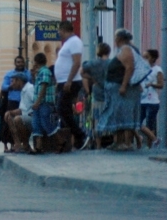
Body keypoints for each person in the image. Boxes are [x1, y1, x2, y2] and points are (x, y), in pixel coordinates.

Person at [97, 29, 142, 151]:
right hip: (117, 87)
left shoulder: (127, 49)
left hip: (122, 88)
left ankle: (126, 143)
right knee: (118, 115)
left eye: (115, 37)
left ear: (119, 39)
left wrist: (123, 85)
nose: (114, 40)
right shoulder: (127, 49)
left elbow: (129, 68)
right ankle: (118, 142)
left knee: (125, 115)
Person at [55, 21, 90, 150]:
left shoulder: (75, 41)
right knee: (66, 110)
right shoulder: (68, 43)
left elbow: (76, 62)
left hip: (70, 81)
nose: (59, 33)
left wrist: (69, 80)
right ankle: (71, 141)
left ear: (64, 29)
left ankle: (80, 135)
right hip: (64, 81)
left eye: (59, 30)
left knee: (62, 109)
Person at [0, 56, 31, 153]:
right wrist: (11, 86)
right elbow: (3, 86)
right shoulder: (9, 74)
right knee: (8, 122)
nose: (20, 64)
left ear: (24, 63)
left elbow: (30, 84)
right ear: (15, 63)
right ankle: (9, 144)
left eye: (21, 62)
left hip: (23, 101)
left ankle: (20, 143)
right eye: (18, 62)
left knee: (19, 123)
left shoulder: (27, 73)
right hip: (12, 101)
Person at [81, 42, 111, 149]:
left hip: (97, 92)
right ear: (108, 51)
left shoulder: (93, 63)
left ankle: (98, 145)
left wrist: (93, 78)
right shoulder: (111, 63)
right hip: (109, 93)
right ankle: (111, 141)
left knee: (96, 119)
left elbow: (82, 72)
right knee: (109, 117)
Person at [31, 53, 62, 153]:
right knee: (37, 124)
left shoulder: (45, 71)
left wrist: (37, 102)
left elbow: (43, 88)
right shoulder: (39, 72)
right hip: (38, 103)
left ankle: (60, 141)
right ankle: (38, 147)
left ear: (37, 61)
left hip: (44, 102)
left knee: (46, 123)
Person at [4, 72, 35, 153]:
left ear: (19, 81)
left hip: (34, 117)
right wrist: (10, 112)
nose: (11, 84)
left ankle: (26, 144)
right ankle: (17, 143)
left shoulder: (30, 89)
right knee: (9, 117)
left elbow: (36, 103)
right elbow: (22, 109)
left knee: (18, 119)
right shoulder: (23, 91)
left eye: (12, 81)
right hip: (26, 115)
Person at [139, 49, 164, 148]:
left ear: (153, 58)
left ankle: (150, 146)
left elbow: (161, 85)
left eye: (146, 57)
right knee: (138, 123)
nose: (144, 59)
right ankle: (155, 139)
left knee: (150, 124)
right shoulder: (142, 69)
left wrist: (152, 84)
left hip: (152, 101)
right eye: (143, 57)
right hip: (141, 100)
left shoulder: (157, 70)